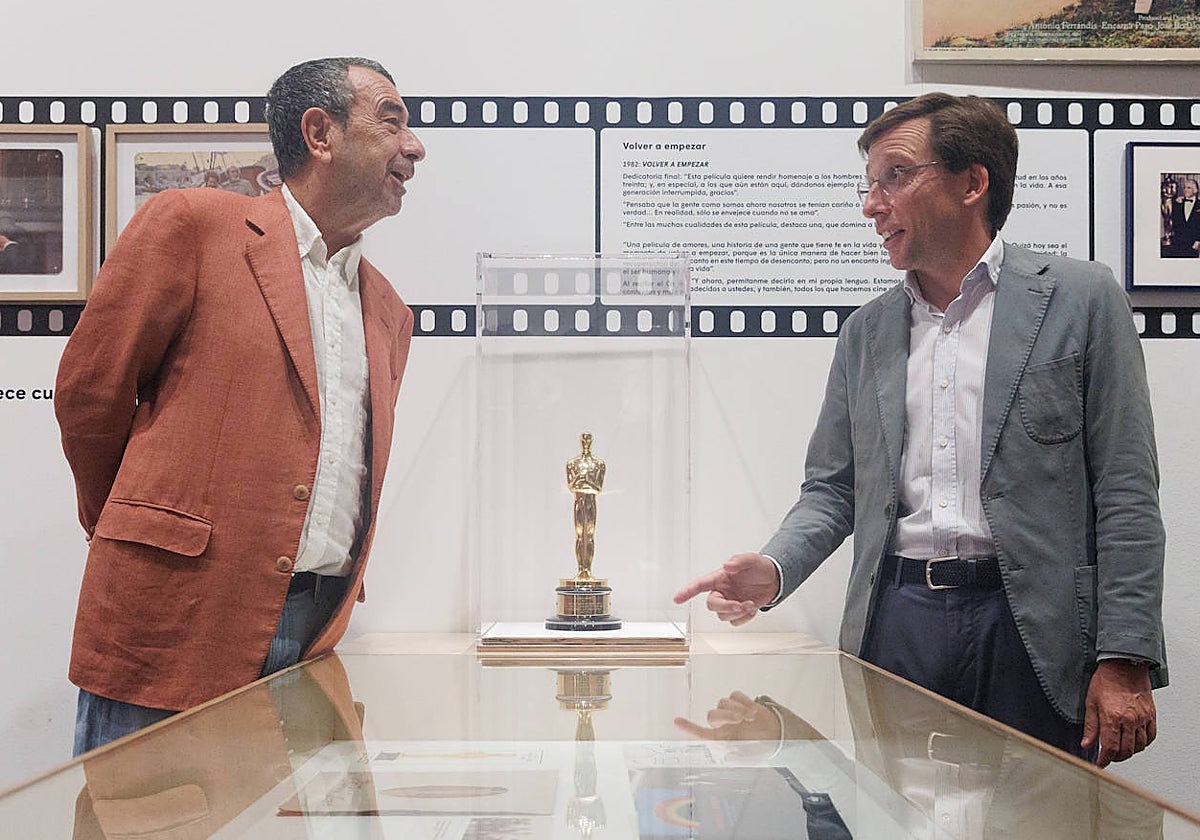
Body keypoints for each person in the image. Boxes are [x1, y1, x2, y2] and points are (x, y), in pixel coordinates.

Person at [674, 92, 1166, 767]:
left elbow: (1126, 490)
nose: (872, 204)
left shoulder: (1082, 300)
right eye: (870, 183)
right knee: (895, 816)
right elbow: (834, 490)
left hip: (1032, 630)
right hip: (895, 619)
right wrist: (777, 566)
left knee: (1040, 820)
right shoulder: (866, 332)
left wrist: (1126, 656)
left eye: (895, 176)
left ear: (972, 182)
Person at [55, 56, 426, 755]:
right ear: (320, 133)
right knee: (145, 822)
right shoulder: (193, 224)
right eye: (392, 121)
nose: (415, 146)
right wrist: (136, 535)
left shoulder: (388, 310)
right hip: (174, 617)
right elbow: (89, 393)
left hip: (317, 632)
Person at [1167, 178, 1200, 258]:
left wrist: (1198, 240)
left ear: (1195, 190)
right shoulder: (1178, 203)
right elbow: (1174, 222)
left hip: (1193, 243)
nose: (1185, 190)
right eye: (1184, 187)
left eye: (1189, 188)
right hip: (1178, 242)